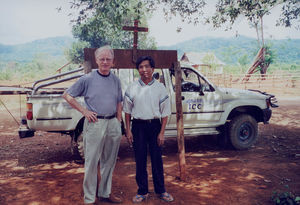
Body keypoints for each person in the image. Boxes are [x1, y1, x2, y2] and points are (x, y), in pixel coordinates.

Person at [63, 45, 123, 204]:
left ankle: (105, 193)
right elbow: (67, 95)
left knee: (109, 162)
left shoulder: (116, 80)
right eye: (101, 59)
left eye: (108, 59)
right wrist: (84, 111)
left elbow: (119, 101)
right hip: (95, 123)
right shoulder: (87, 78)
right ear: (96, 61)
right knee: (91, 162)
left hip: (112, 124)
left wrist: (118, 120)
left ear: (113, 61)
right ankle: (89, 199)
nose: (105, 62)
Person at [123, 56, 174, 203]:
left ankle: (161, 190)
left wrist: (162, 132)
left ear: (153, 69)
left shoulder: (160, 88)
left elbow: (165, 113)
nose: (144, 70)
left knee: (157, 159)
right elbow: (127, 111)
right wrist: (128, 130)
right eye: (141, 67)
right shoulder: (132, 87)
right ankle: (142, 191)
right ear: (138, 69)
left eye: (147, 66)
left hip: (155, 126)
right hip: (138, 126)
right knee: (140, 159)